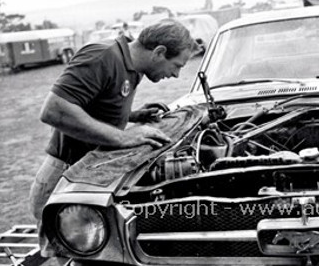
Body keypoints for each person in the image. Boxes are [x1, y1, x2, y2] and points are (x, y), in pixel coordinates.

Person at [29, 20, 196, 263]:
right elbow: (53, 111)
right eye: (176, 65)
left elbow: (95, 102)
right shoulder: (102, 56)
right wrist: (122, 136)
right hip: (64, 178)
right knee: (72, 256)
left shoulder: (133, 69)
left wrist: (132, 115)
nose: (176, 74)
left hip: (90, 175)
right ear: (159, 52)